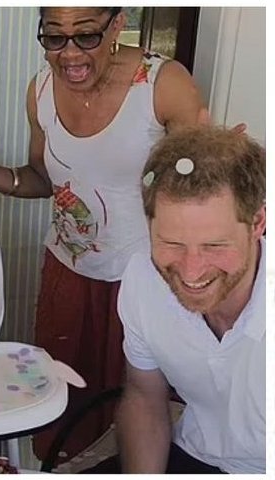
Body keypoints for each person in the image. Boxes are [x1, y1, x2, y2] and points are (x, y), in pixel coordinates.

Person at [0, 6, 206, 460]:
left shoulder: (163, 87)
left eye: (86, 35)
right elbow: (43, 179)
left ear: (117, 25)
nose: (69, 53)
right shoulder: (40, 90)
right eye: (54, 37)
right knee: (65, 411)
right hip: (69, 274)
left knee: (141, 412)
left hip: (146, 280)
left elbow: (200, 190)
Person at [94, 125, 265, 474]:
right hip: (196, 455)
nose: (191, 271)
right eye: (171, 243)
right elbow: (144, 396)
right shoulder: (143, 279)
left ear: (258, 223)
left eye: (214, 246)